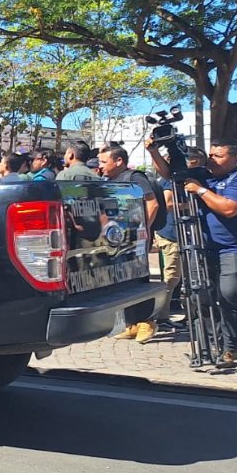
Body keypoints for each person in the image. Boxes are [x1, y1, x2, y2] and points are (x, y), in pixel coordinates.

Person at [148, 139, 237, 367]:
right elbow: (170, 175)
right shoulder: (202, 173)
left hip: (233, 249)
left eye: (219, 156)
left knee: (228, 294)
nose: (212, 159)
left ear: (235, 158)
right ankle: (211, 343)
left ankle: (230, 345)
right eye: (211, 154)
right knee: (202, 297)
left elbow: (229, 208)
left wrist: (199, 190)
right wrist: (154, 151)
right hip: (201, 247)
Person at [99, 144, 165, 343]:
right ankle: (132, 323)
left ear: (119, 161)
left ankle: (147, 322)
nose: (101, 166)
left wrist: (141, 233)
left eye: (104, 161)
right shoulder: (109, 181)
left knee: (139, 281)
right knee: (124, 282)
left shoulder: (135, 178)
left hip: (135, 240)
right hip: (118, 240)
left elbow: (152, 204)